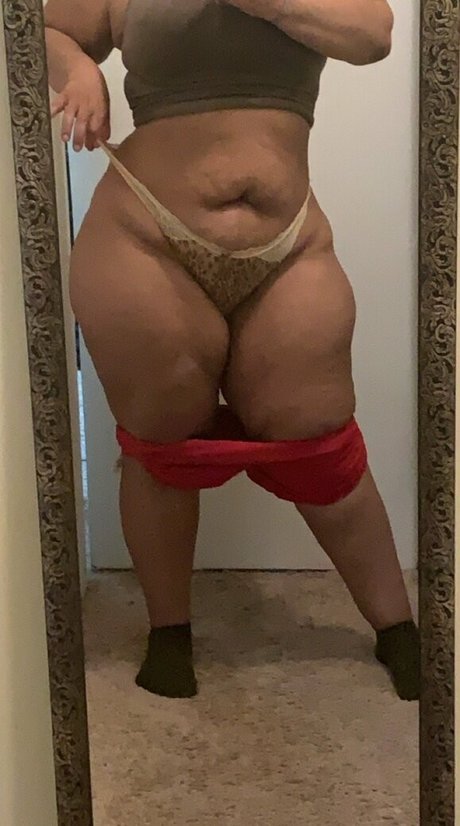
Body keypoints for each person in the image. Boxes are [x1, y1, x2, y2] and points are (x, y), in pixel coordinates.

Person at [45, 0, 419, 701]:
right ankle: (169, 634)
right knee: (162, 442)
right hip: (143, 233)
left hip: (290, 241)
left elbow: (373, 35)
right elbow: (43, 29)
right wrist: (79, 74)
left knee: (319, 439)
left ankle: (398, 627)